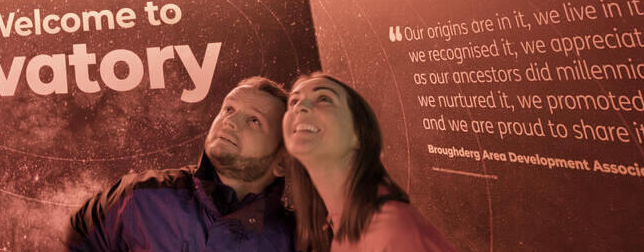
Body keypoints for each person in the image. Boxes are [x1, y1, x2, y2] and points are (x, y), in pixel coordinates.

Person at [64, 76, 295, 251]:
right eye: (228, 109)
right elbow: (78, 236)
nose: (230, 121)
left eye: (254, 121)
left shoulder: (298, 238)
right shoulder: (142, 196)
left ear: (282, 162)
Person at [281, 73, 456, 252]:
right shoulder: (338, 226)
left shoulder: (393, 230)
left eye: (324, 98)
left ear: (359, 134)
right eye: (293, 101)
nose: (300, 106)